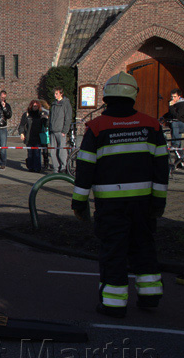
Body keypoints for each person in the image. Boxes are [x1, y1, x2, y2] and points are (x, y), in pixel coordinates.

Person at [71, 71, 167, 318]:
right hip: (144, 204)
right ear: (133, 95)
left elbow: (85, 169)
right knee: (144, 245)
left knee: (114, 252)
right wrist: (159, 201)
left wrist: (79, 203)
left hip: (111, 206)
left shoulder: (97, 127)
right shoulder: (152, 125)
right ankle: (150, 295)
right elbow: (161, 168)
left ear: (107, 96)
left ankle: (113, 304)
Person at [18, 100, 48, 172]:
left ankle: (37, 168)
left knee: (37, 152)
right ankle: (30, 167)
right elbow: (22, 125)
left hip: (38, 136)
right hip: (29, 136)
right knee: (30, 153)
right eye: (34, 106)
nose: (35, 107)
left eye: (36, 106)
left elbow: (46, 125)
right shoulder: (27, 114)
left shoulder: (41, 114)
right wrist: (21, 133)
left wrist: (46, 118)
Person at [49, 87, 73, 173]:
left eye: (57, 93)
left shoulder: (65, 104)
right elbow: (50, 117)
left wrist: (65, 130)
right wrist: (49, 128)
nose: (55, 95)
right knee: (53, 151)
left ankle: (63, 167)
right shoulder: (53, 104)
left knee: (61, 151)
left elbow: (68, 118)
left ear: (61, 93)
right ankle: (56, 168)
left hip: (60, 131)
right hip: (53, 130)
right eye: (54, 94)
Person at [39, 100, 51, 169]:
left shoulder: (42, 112)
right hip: (44, 131)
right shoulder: (47, 112)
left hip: (42, 131)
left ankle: (45, 162)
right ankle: (46, 162)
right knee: (44, 147)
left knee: (43, 147)